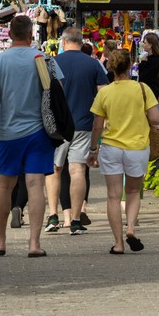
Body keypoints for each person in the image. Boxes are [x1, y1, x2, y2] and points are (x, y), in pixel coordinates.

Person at [0, 15, 55, 258]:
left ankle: (0, 240)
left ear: (9, 34)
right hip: (39, 132)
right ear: (31, 34)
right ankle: (34, 244)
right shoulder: (42, 58)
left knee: (5, 185)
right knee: (35, 185)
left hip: (7, 133)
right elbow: (56, 91)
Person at [87, 48, 159, 255]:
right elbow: (155, 119)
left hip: (111, 148)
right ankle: (130, 229)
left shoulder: (105, 93)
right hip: (137, 147)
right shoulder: (142, 88)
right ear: (130, 66)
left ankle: (118, 243)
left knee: (113, 196)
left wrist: (93, 149)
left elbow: (97, 126)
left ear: (110, 67)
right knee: (134, 192)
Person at [44, 27, 108, 235]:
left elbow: (44, 93)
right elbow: (103, 96)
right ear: (81, 43)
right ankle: (76, 219)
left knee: (54, 169)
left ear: (63, 42)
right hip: (83, 124)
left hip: (57, 127)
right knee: (78, 170)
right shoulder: (93, 64)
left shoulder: (52, 63)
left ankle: (53, 215)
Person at [138, 32, 159, 133]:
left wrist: (143, 64)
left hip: (153, 94)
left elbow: (144, 77)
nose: (143, 45)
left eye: (145, 43)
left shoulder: (152, 60)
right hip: (155, 94)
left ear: (150, 45)